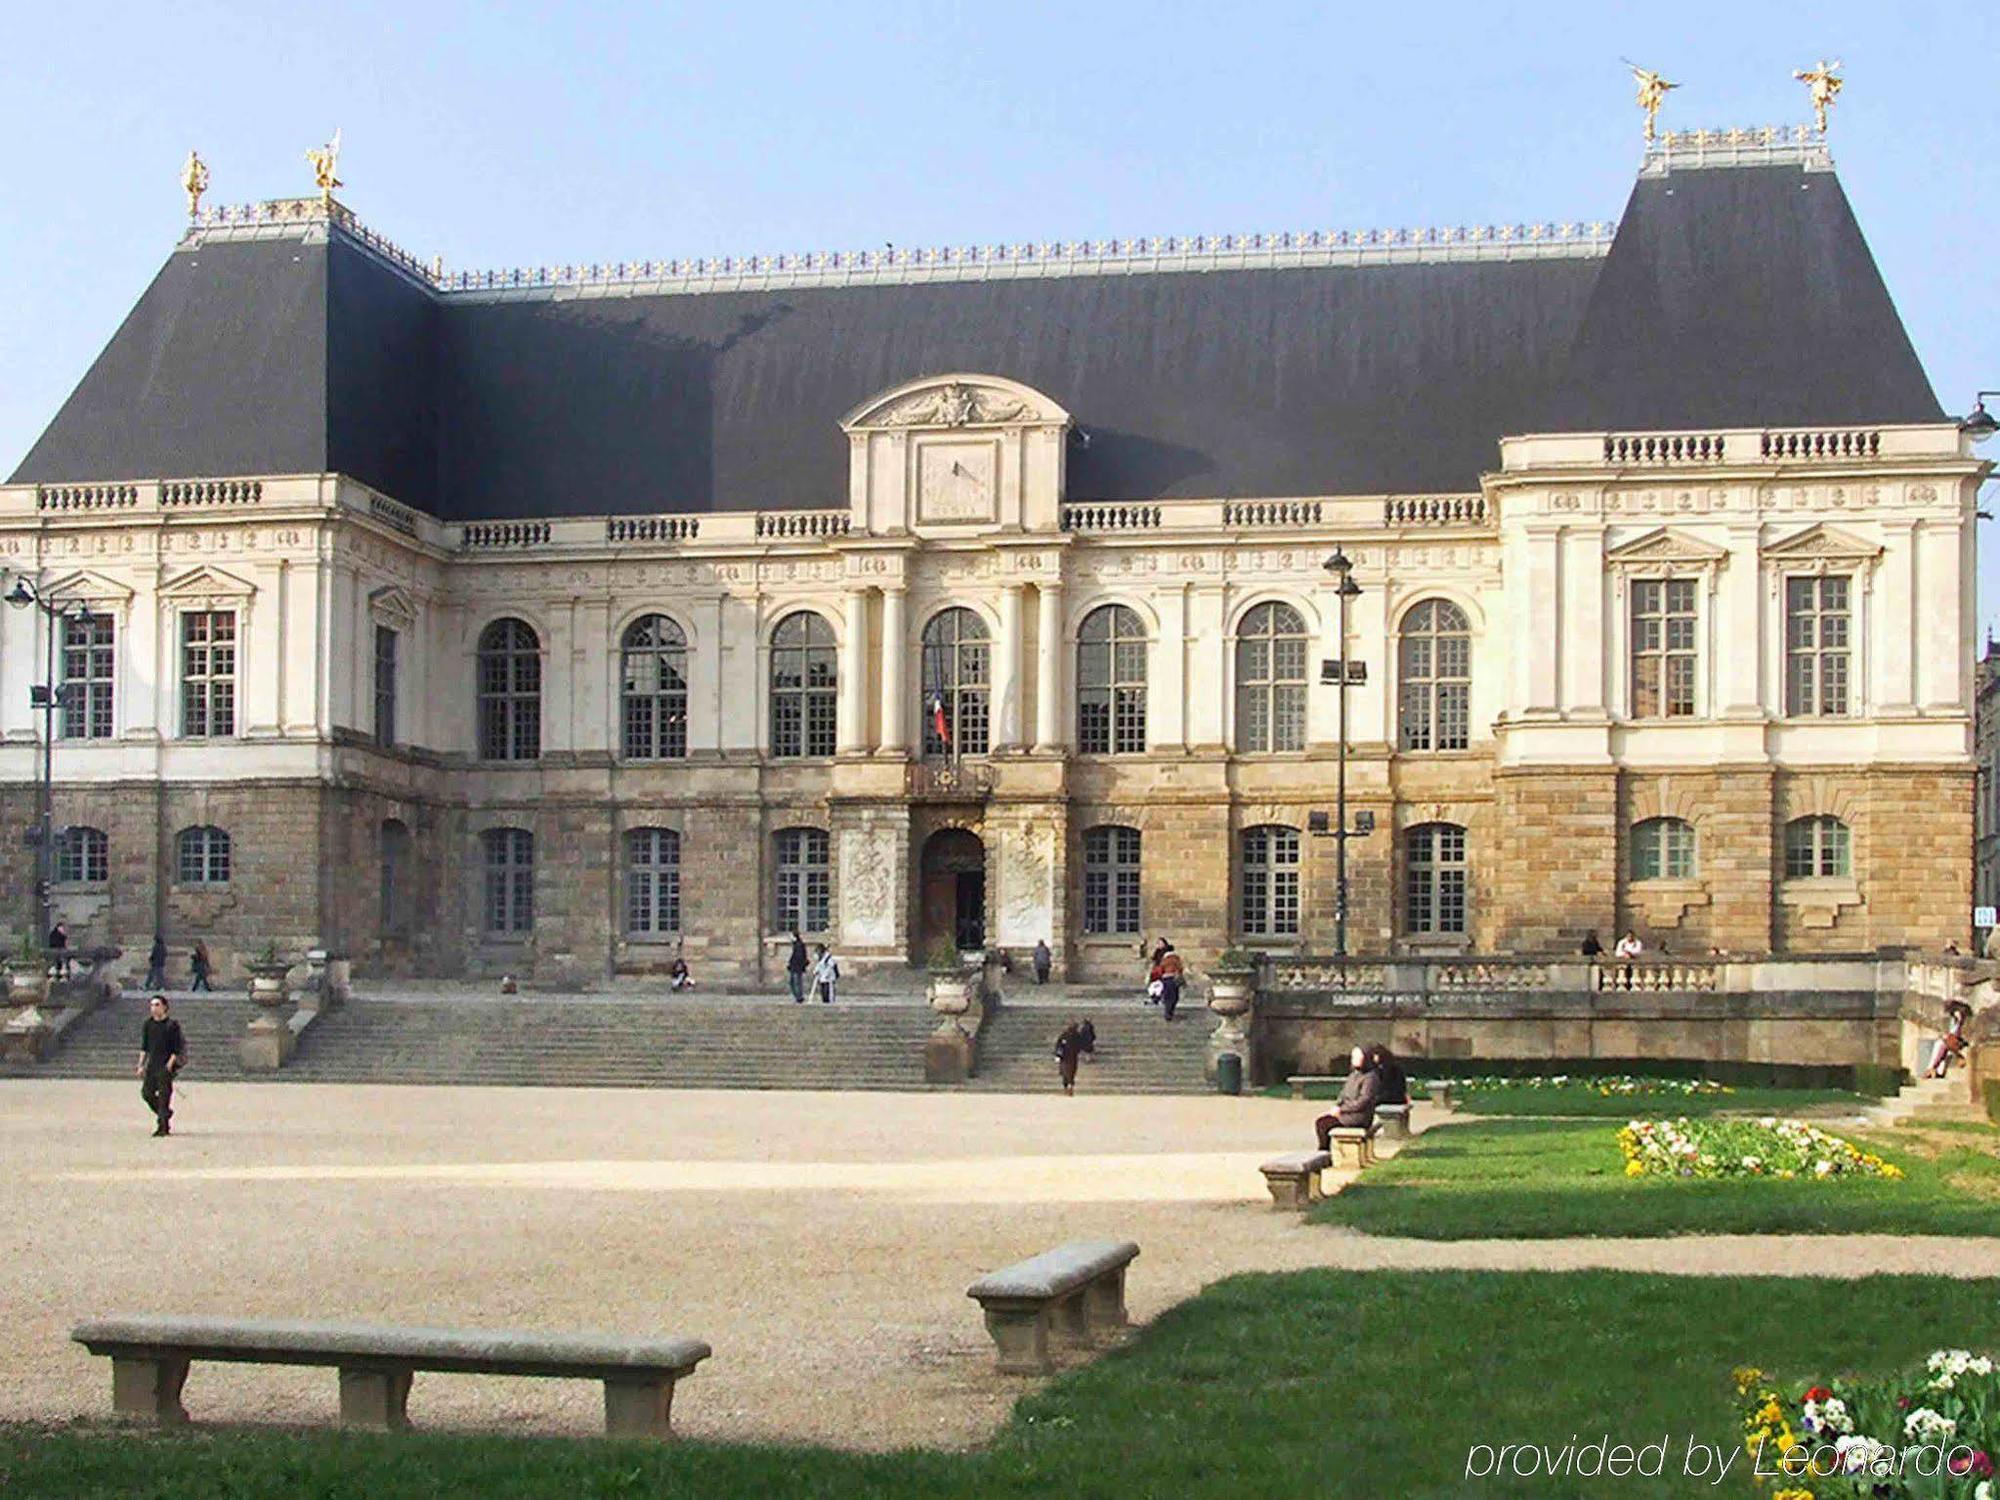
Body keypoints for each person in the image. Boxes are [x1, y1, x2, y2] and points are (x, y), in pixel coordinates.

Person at [136, 994, 186, 1137]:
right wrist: (140, 1065)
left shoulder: (172, 1025)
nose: (153, 1008)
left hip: (165, 1065)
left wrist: (170, 1065)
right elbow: (144, 1046)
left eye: (157, 1005)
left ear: (164, 1007)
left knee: (164, 1097)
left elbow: (177, 1048)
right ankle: (165, 1114)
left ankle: (163, 1126)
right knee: (147, 1093)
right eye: (152, 1005)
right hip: (152, 1064)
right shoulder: (148, 1024)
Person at [1315, 1046, 1380, 1150]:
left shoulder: (1370, 1077)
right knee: (1321, 1121)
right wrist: (1337, 1106)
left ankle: (1324, 1151)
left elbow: (1363, 1101)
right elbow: (1343, 1094)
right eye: (1353, 1057)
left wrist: (1342, 1109)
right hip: (1347, 1113)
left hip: (1359, 1116)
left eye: (1357, 1057)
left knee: (1324, 1124)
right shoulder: (1353, 1075)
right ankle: (1324, 1150)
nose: (1353, 1059)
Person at [1928, 1000, 1972, 1079]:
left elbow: (1962, 1037)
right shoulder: (1954, 1022)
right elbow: (1951, 1034)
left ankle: (1933, 1068)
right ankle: (1934, 1069)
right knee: (1940, 1045)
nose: (1956, 1014)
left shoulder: (1963, 1023)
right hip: (1951, 1042)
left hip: (1957, 1043)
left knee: (1942, 1045)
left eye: (1958, 1012)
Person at [1158, 943, 1185, 1021]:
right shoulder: (1176, 958)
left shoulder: (1164, 959)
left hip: (1166, 978)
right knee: (1174, 996)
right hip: (1174, 978)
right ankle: (1170, 1011)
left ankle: (1167, 1012)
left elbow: (1161, 968)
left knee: (1167, 996)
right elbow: (1180, 967)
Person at [1054, 1022, 1082, 1095]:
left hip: (1065, 1057)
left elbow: (1059, 1045)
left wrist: (1058, 1055)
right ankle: (1070, 1085)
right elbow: (1079, 1045)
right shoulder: (1076, 1035)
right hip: (1072, 1057)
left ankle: (1067, 1086)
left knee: (1065, 1073)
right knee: (1071, 1072)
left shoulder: (1064, 1035)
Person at [786, 931, 809, 1004]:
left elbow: (798, 957)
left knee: (796, 982)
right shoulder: (796, 944)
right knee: (793, 982)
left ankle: (799, 997)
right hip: (795, 967)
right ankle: (798, 997)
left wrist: (793, 964)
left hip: (796, 967)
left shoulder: (799, 945)